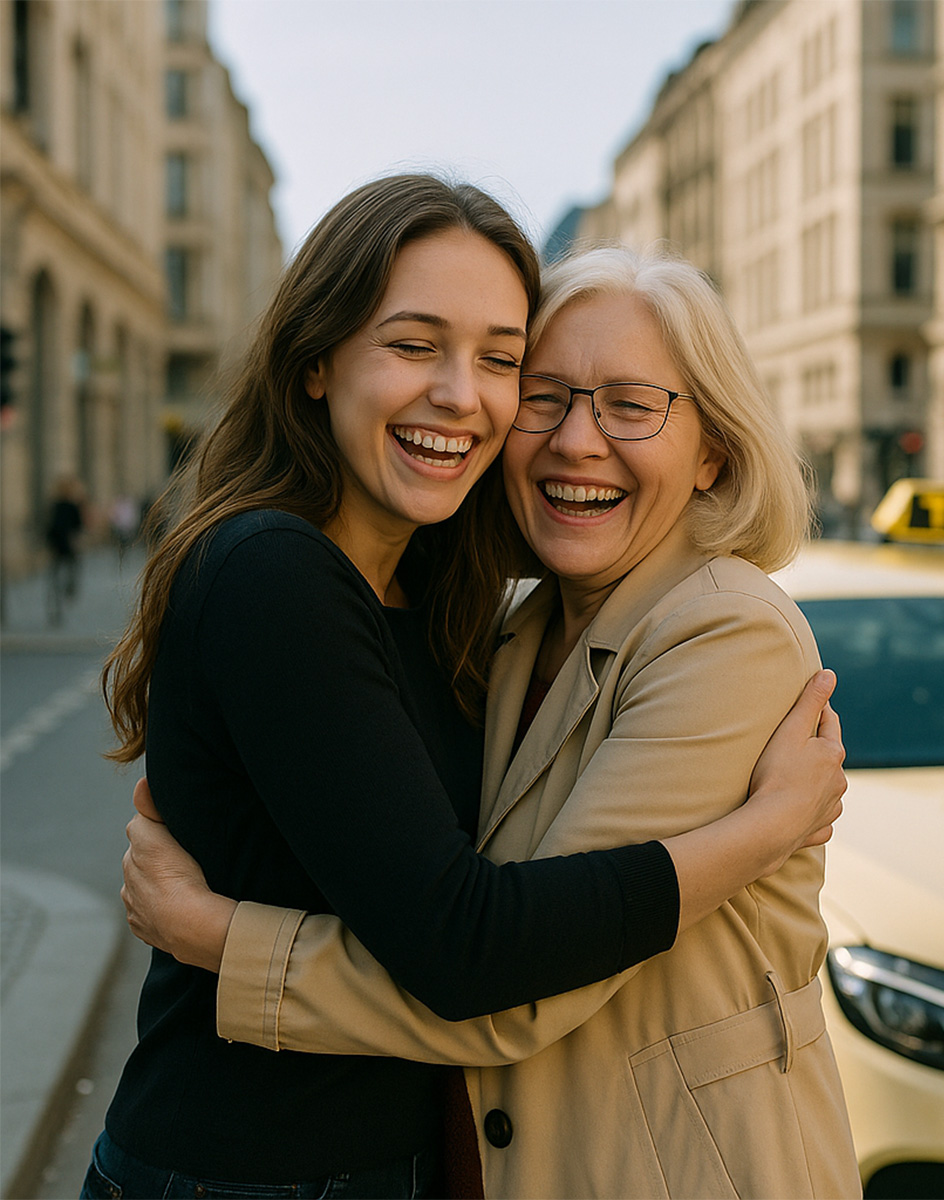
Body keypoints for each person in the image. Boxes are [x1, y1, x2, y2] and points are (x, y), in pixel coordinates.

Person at [91, 178, 846, 1200]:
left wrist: (223, 940)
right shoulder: (356, 589)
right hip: (258, 1167)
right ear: (315, 359)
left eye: (500, 361)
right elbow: (478, 945)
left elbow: (489, 973)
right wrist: (760, 833)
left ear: (713, 449)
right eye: (546, 393)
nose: (573, 437)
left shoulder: (708, 628)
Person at [46, 474, 84, 623]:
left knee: (55, 578)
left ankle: (56, 607)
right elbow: (78, 526)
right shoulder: (72, 506)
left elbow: (50, 527)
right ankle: (69, 590)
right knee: (72, 570)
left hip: (56, 546)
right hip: (68, 545)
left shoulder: (54, 505)